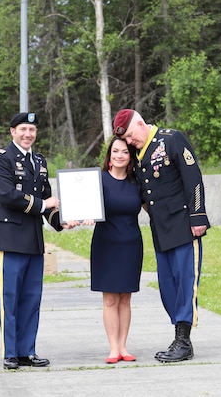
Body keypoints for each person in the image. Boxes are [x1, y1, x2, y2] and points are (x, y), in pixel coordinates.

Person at [113, 108, 210, 363]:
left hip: (184, 225)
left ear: (142, 125)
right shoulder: (139, 154)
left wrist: (198, 215)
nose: (130, 142)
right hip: (161, 229)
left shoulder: (171, 139)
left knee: (185, 282)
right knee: (167, 286)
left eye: (132, 137)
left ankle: (183, 340)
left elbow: (194, 179)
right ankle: (179, 336)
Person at [0, 112, 70, 370]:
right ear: (13, 131)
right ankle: (10, 353)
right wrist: (44, 204)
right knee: (10, 297)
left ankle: (27, 351)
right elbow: (8, 195)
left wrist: (62, 220)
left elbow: (47, 200)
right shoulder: (0, 158)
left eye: (32, 130)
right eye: (23, 129)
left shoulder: (39, 161)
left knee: (32, 298)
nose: (28, 134)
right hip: (11, 238)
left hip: (34, 240)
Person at [90, 136, 144, 364]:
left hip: (131, 244)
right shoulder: (97, 180)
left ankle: (124, 346)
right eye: (115, 151)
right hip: (105, 244)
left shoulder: (138, 182)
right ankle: (113, 348)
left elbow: (152, 208)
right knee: (110, 299)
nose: (119, 155)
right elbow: (84, 204)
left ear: (130, 156)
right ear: (109, 155)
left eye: (124, 152)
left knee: (125, 299)